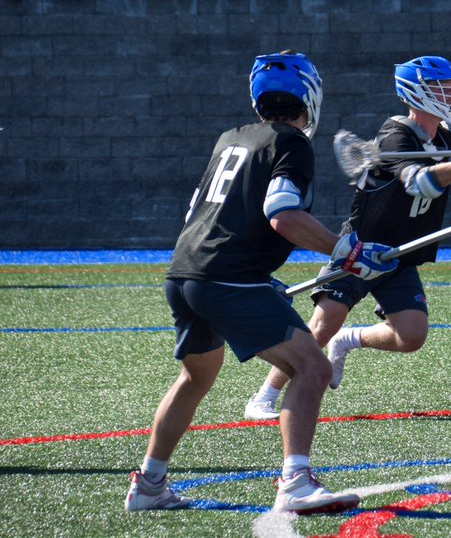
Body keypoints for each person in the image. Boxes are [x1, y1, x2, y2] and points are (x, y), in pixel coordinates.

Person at [126, 51, 398, 514]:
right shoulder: (291, 143)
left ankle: (149, 483)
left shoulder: (230, 138)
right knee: (313, 367)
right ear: (309, 97)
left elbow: (203, 213)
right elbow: (282, 215)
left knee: (196, 376)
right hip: (226, 277)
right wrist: (345, 250)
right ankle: (295, 481)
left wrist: (254, 278)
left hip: (185, 271)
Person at [243, 55, 451, 419]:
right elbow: (420, 183)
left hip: (402, 253)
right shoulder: (395, 134)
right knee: (324, 322)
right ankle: (263, 397)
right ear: (418, 91)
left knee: (411, 336)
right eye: (445, 87)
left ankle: (350, 341)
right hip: (362, 248)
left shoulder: (447, 136)